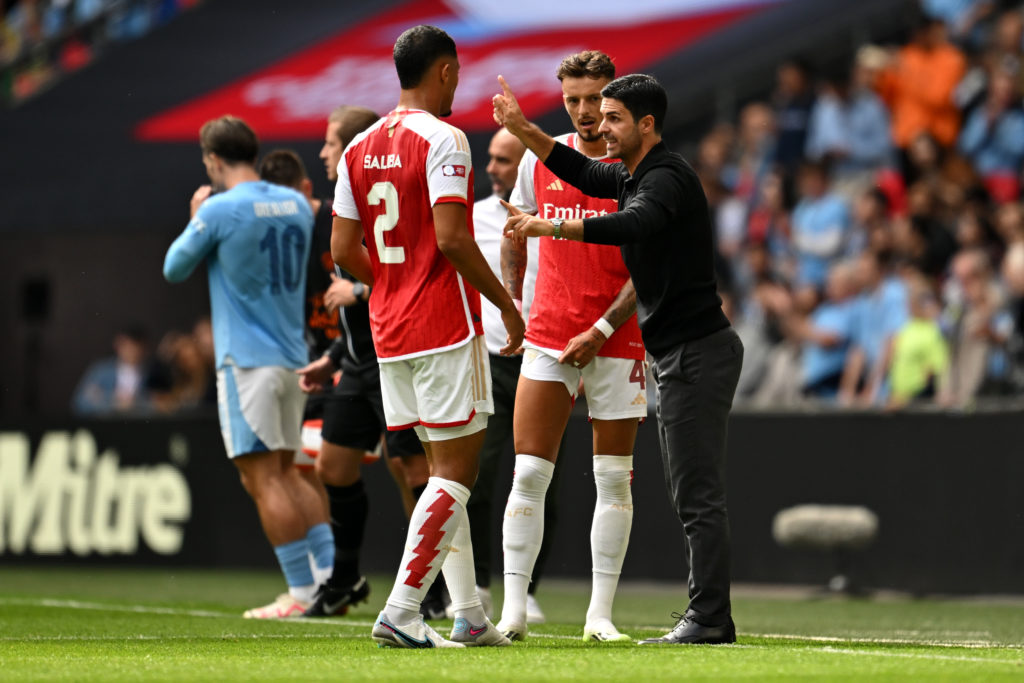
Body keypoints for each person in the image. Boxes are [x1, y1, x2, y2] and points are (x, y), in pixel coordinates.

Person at [494, 72, 743, 644]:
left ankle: (708, 618)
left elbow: (634, 224)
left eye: (611, 118)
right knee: (690, 491)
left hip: (694, 351)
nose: (597, 126)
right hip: (678, 351)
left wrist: (549, 225)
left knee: (696, 493)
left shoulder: (666, 177)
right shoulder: (633, 173)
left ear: (646, 125)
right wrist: (522, 128)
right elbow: (580, 170)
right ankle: (705, 615)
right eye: (592, 113)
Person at [331, 24, 524, 648]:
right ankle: (404, 609)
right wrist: (507, 305)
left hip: (389, 330)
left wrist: (390, 280)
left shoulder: (358, 146)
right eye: (458, 74)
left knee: (440, 468)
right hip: (442, 324)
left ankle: (467, 612)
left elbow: (342, 249)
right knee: (456, 474)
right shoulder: (446, 139)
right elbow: (452, 239)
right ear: (444, 71)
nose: (458, 85)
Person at [495, 50, 645, 644]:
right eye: (573, 101)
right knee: (528, 473)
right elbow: (517, 231)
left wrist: (603, 330)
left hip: (617, 337)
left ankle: (598, 616)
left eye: (595, 100)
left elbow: (647, 266)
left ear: (616, 98)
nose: (585, 113)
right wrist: (512, 305)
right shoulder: (542, 161)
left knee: (614, 479)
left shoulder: (639, 168)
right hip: (551, 333)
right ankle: (512, 612)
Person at [162, 116, 333, 618]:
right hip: (292, 354)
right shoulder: (296, 205)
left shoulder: (218, 209)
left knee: (262, 479)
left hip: (246, 361)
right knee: (289, 470)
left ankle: (302, 594)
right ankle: (329, 581)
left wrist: (197, 216)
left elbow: (174, 267)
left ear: (213, 160)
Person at [276, 110, 443, 620]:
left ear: (353, 150)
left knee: (414, 470)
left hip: (398, 355)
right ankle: (346, 578)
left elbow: (412, 271)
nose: (324, 153)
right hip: (356, 362)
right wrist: (331, 359)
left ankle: (431, 586)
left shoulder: (382, 204)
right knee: (332, 466)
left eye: (331, 144)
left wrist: (361, 289)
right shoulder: (342, 209)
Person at [465, 126, 560, 623]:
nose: (493, 168)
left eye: (505, 159)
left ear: (527, 165)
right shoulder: (472, 216)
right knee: (478, 477)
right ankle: (479, 584)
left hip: (547, 355)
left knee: (546, 481)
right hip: (491, 360)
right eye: (492, 158)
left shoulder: (553, 220)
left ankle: (526, 589)